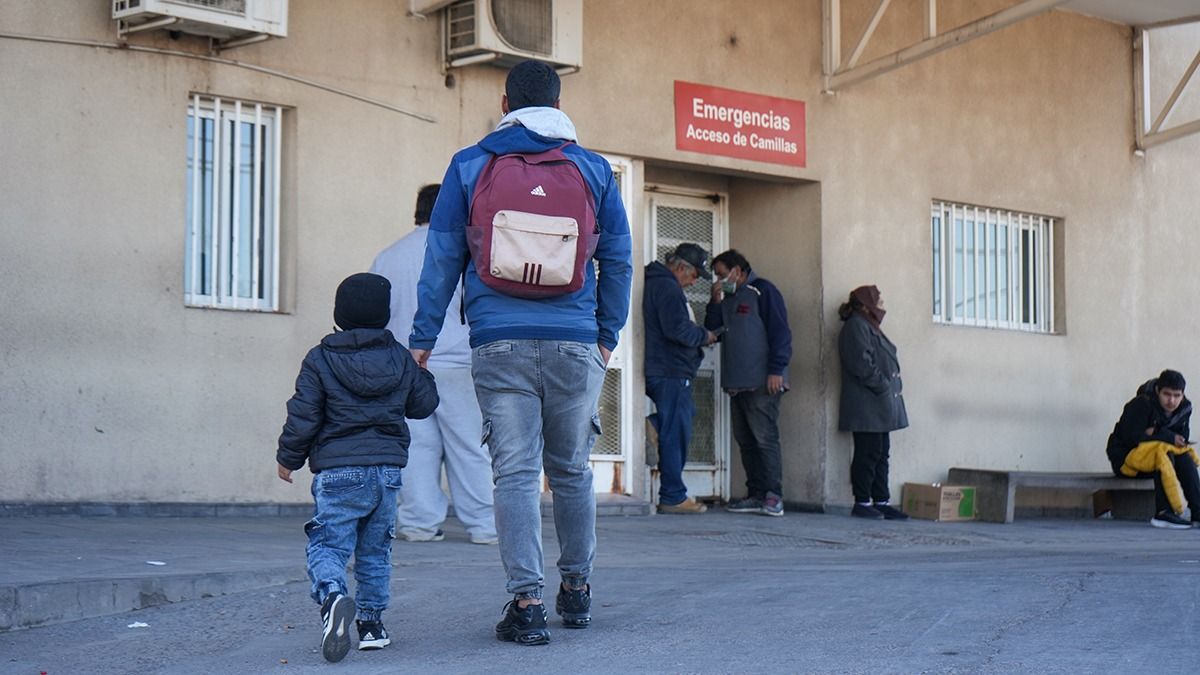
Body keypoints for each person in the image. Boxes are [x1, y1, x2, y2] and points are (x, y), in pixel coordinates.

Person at [408, 60, 632, 645]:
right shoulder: (593, 168)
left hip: (497, 338)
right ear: (558, 102)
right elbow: (620, 260)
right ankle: (578, 592)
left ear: (505, 101)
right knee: (572, 472)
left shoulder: (471, 164)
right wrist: (607, 333)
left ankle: (527, 602)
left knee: (514, 471)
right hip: (575, 340)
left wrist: (423, 338)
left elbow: (442, 258)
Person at [276, 273, 439, 662]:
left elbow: (304, 415)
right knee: (375, 551)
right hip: (386, 471)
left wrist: (288, 457)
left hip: (338, 471)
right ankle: (371, 625)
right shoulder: (399, 356)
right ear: (383, 315)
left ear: (339, 313)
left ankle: (333, 596)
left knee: (329, 544)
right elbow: (422, 405)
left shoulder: (320, 358)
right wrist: (422, 370)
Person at [370, 184, 498, 546]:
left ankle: (418, 523)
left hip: (405, 368)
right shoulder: (466, 254)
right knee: (472, 449)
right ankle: (485, 526)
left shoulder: (388, 256)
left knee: (416, 449)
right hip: (459, 365)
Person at [705, 249, 792, 517]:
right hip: (736, 382)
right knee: (746, 440)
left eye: (722, 274)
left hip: (762, 382)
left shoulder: (763, 291)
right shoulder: (728, 297)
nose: (719, 279)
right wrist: (715, 300)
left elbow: (780, 332)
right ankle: (755, 494)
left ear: (738, 271)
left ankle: (773, 496)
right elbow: (713, 330)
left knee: (764, 438)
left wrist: (776, 370)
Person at [644, 243, 718, 514]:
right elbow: (677, 329)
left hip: (664, 368)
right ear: (680, 267)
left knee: (678, 420)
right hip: (670, 370)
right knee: (676, 430)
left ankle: (653, 425)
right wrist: (704, 336)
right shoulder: (667, 287)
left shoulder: (656, 282)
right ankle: (673, 495)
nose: (695, 280)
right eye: (695, 273)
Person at [837, 285, 909, 521]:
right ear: (866, 304)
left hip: (879, 404)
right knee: (868, 453)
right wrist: (883, 385)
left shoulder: (869, 326)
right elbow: (861, 363)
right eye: (879, 301)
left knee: (881, 453)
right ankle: (863, 501)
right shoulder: (856, 326)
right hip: (867, 403)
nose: (882, 305)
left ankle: (881, 500)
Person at [1106, 369, 1200, 529]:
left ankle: (1198, 512)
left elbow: (1181, 439)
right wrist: (1166, 436)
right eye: (1167, 394)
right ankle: (1164, 513)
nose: (1172, 401)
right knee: (1161, 453)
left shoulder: (1184, 409)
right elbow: (1132, 438)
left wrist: (1154, 433)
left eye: (1177, 395)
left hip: (1162, 459)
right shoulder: (1141, 404)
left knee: (1184, 456)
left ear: (1183, 394)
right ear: (1158, 390)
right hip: (1127, 461)